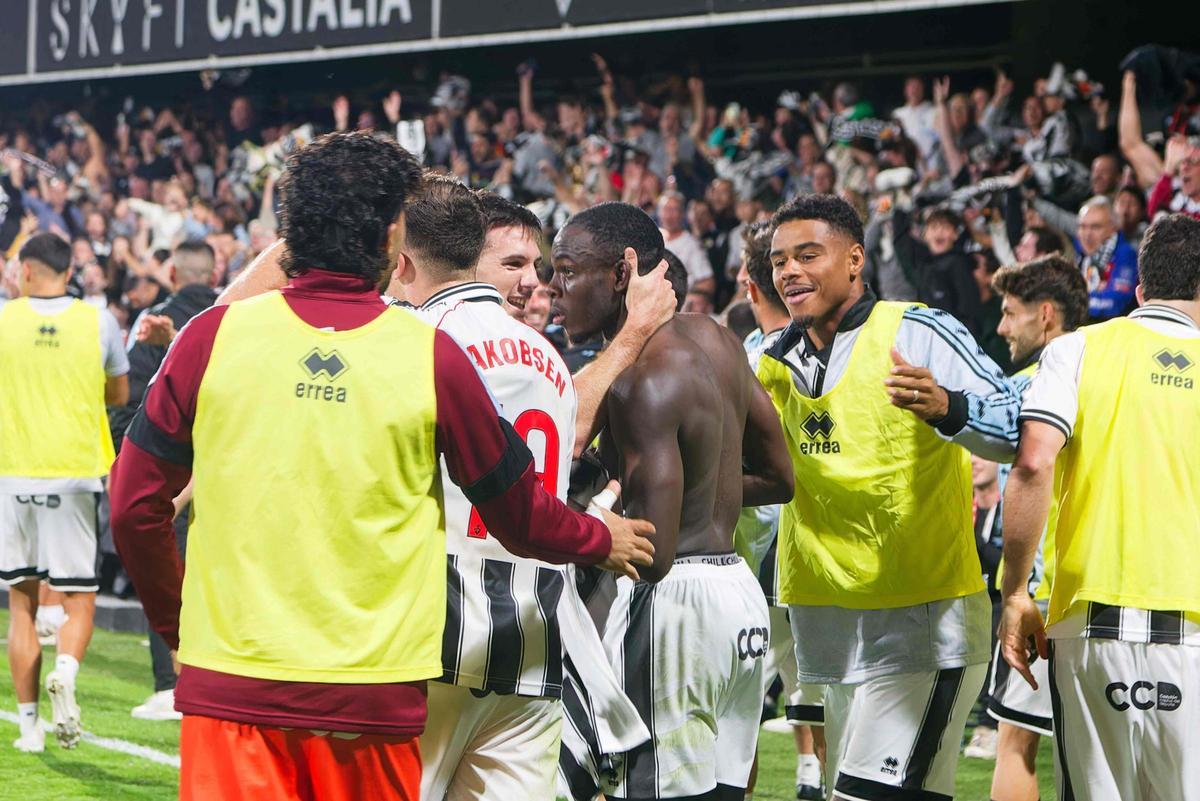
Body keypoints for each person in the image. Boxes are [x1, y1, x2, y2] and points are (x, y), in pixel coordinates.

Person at [107, 132, 656, 800]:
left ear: (289, 232)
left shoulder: (211, 338)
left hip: (233, 686)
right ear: (393, 233)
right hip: (371, 694)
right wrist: (601, 537)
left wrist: (180, 628)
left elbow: (134, 504)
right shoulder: (430, 356)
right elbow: (518, 515)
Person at [756, 194, 1022, 800]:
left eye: (807, 255)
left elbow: (1015, 426)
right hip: (833, 623)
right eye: (778, 261)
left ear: (854, 260)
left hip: (923, 618)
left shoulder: (917, 330)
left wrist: (950, 408)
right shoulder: (772, 360)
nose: (789, 271)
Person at [549, 201, 794, 801]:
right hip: (738, 598)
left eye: (567, 270)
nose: (555, 289)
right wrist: (705, 498)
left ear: (621, 272)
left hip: (674, 606)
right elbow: (781, 478)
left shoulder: (640, 381)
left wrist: (567, 528)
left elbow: (651, 553)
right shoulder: (719, 339)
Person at [999, 214, 1200, 801]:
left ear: (1139, 291)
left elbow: (1033, 465)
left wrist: (1015, 593)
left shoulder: (1076, 350)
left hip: (1090, 626)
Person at [0, 233, 130, 753]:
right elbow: (119, 393)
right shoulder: (98, 319)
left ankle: (29, 727)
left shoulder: (4, 320)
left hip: (14, 473)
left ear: (28, 272)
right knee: (78, 600)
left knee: (21, 604)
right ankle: (67, 672)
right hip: (75, 473)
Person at [983, 254, 1088, 801]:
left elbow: (1026, 475)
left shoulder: (1028, 386)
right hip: (1098, 597)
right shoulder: (1106, 375)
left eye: (1009, 313)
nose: (1001, 327)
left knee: (1015, 746)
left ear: (1044, 315)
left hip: (1039, 597)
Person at [109, 241, 219, 721]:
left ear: (172, 272)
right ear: (214, 273)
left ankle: (168, 682)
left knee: (164, 571)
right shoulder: (240, 313)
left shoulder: (156, 321)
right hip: (231, 477)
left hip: (170, 476)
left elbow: (129, 404)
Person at [734, 222, 825, 801]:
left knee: (746, 686)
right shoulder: (833, 347)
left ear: (749, 286)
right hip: (823, 541)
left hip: (754, 550)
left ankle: (806, 770)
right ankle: (815, 772)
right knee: (813, 671)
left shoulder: (739, 357)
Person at [1075, 196, 1138, 320]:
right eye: (1083, 226)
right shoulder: (1084, 254)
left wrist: (1076, 301)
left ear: (1113, 227)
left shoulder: (1125, 254)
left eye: (1095, 227)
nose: (1087, 234)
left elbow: (1115, 303)